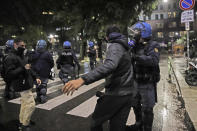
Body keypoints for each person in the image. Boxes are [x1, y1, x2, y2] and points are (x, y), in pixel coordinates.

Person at [62, 25, 136, 131]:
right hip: (127, 93)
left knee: (96, 122)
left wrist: (82, 79)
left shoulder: (115, 45)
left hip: (116, 94)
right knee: (117, 127)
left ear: (107, 37)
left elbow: (110, 65)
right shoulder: (125, 46)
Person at [126, 21, 160, 131]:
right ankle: (139, 124)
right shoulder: (135, 45)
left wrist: (136, 57)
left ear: (143, 33)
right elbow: (126, 52)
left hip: (147, 82)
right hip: (136, 81)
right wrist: (131, 44)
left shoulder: (153, 45)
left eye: (136, 32)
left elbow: (153, 60)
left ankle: (147, 128)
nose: (134, 34)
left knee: (147, 109)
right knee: (135, 104)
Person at [4, 38, 41, 131]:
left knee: (25, 104)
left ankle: (22, 121)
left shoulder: (21, 56)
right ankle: (25, 124)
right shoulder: (10, 57)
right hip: (20, 84)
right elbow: (9, 74)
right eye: (21, 46)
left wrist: (36, 77)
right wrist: (23, 68)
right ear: (15, 45)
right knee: (31, 104)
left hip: (26, 83)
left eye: (24, 45)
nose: (24, 47)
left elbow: (28, 68)